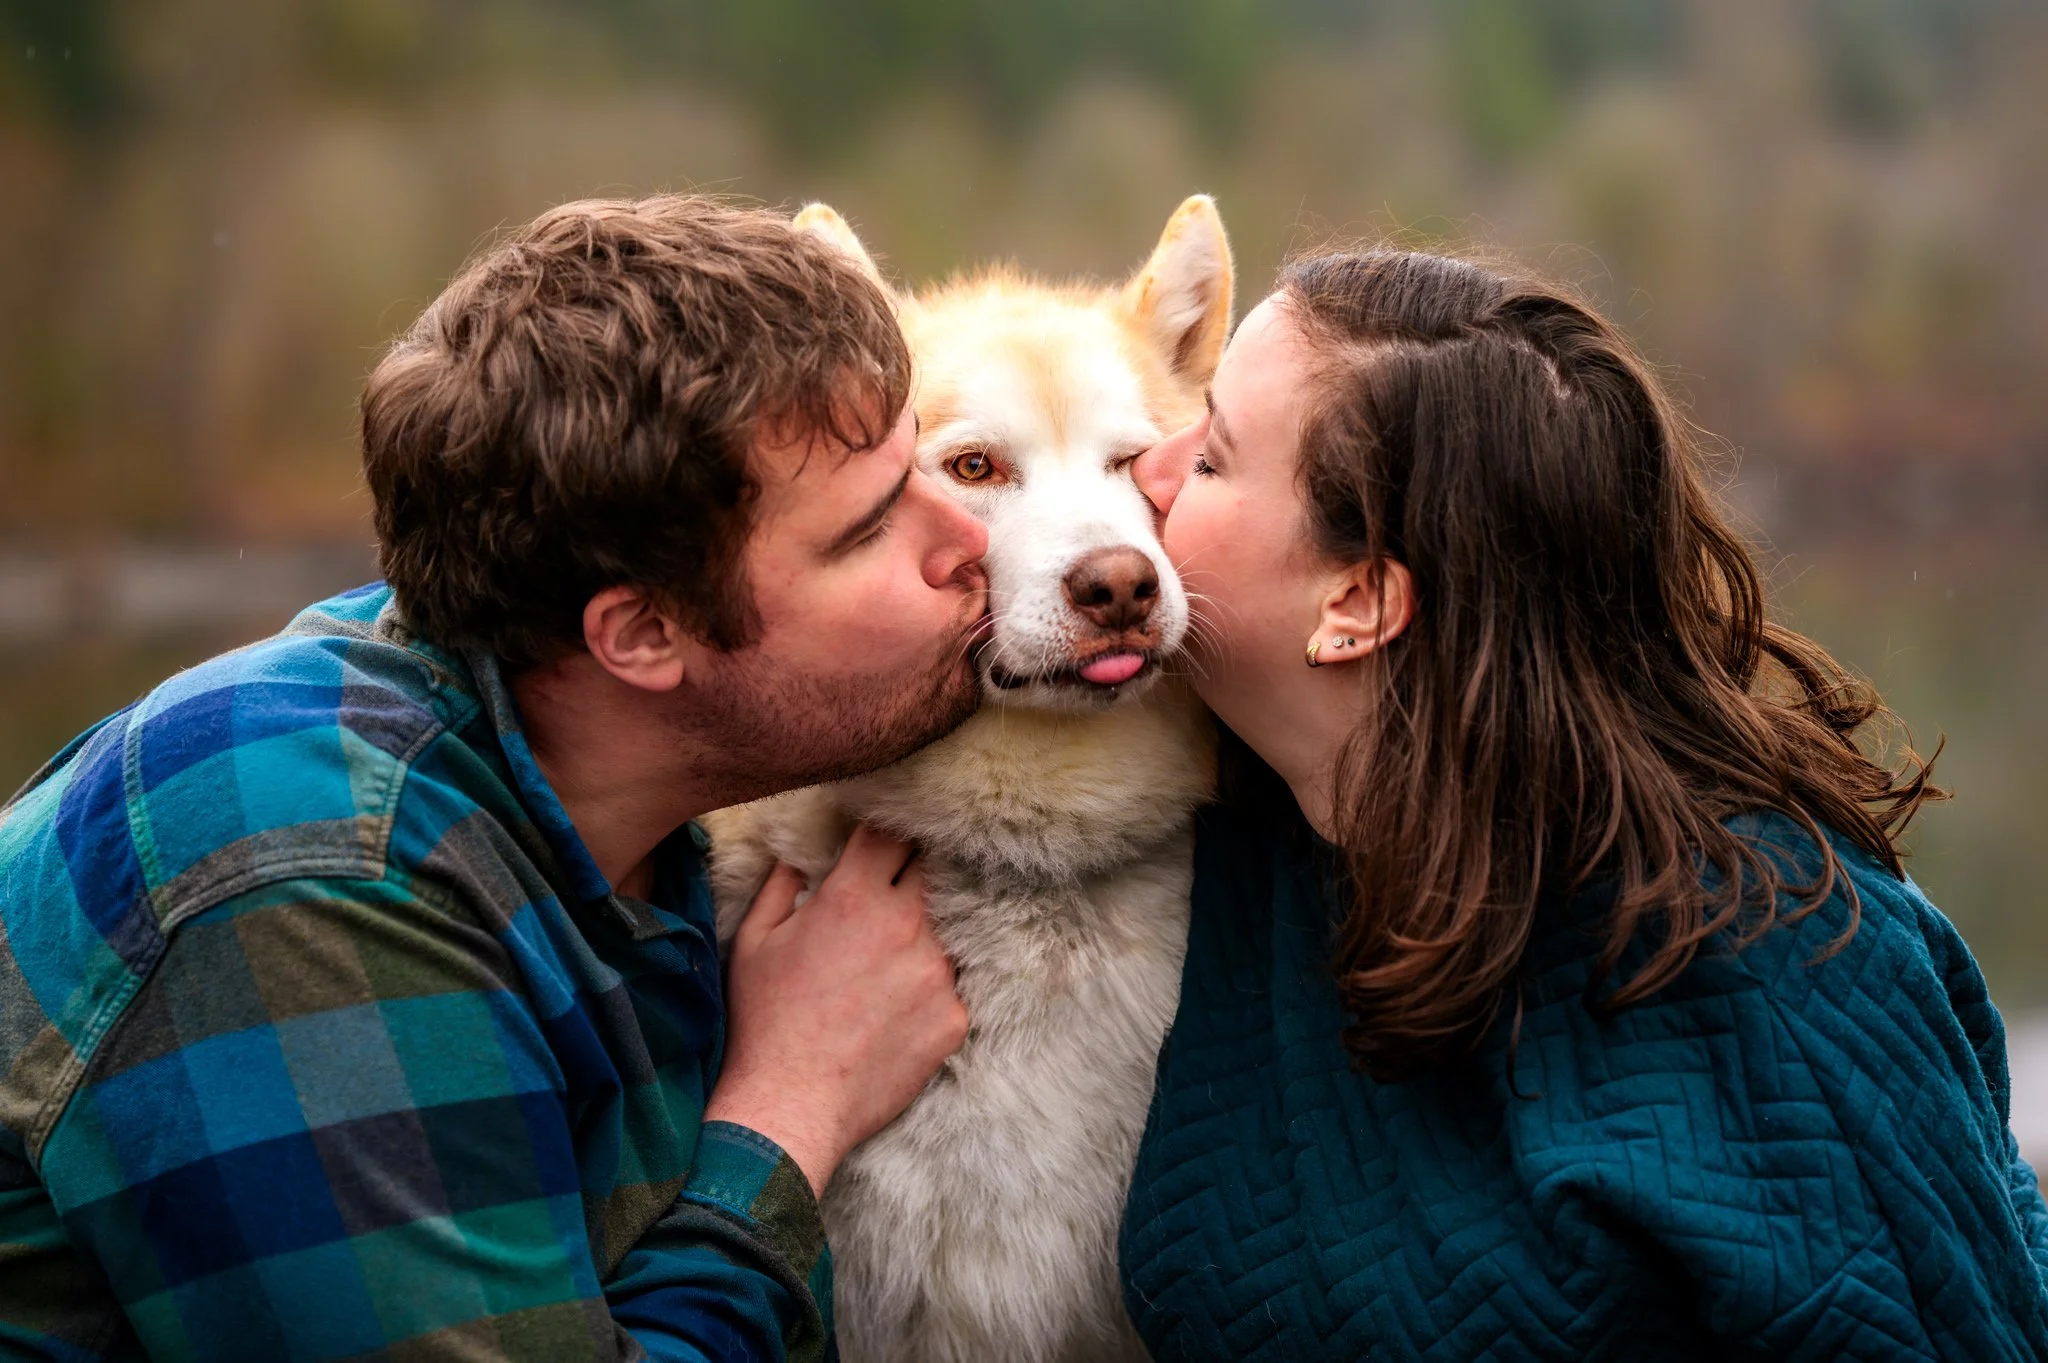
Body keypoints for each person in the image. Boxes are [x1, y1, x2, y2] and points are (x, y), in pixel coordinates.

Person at [0, 196, 989, 1361]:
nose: (971, 535)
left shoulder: (582, 769)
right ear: (643, 635)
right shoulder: (309, 877)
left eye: (928, 464)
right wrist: (792, 1104)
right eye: (867, 529)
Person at [1122, 247, 2048, 1359]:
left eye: (1211, 455)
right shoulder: (1225, 834)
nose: (1146, 467)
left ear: (1357, 600)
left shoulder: (1782, 974)